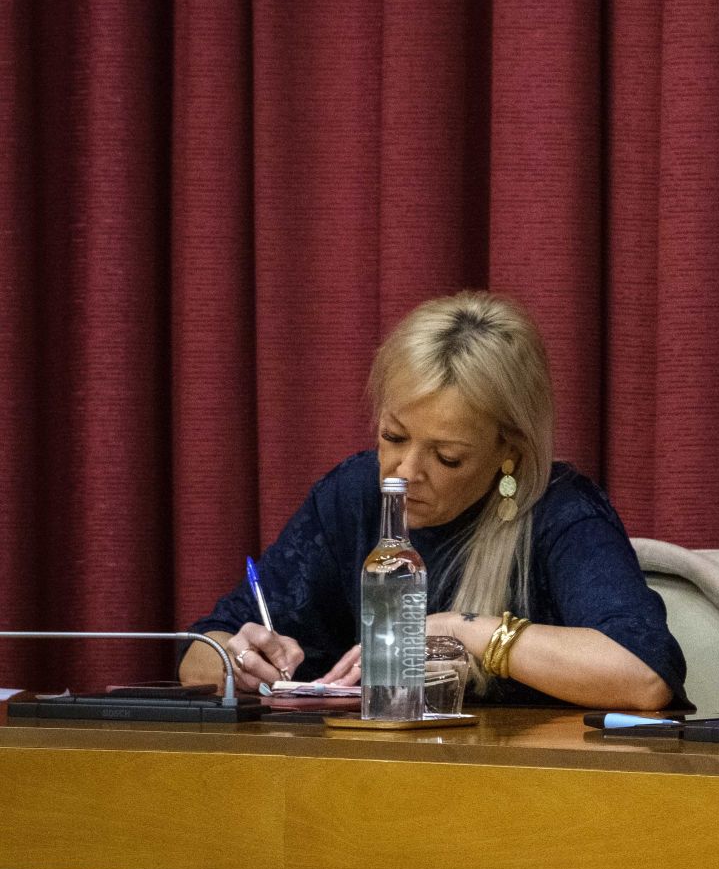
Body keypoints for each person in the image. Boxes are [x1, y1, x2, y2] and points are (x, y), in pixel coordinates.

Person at [182, 292, 687, 711]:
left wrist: (455, 630)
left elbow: (644, 676)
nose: (405, 473)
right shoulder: (352, 496)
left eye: (447, 458)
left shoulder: (558, 512)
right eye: (394, 437)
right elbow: (198, 655)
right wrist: (239, 659)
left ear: (507, 453)